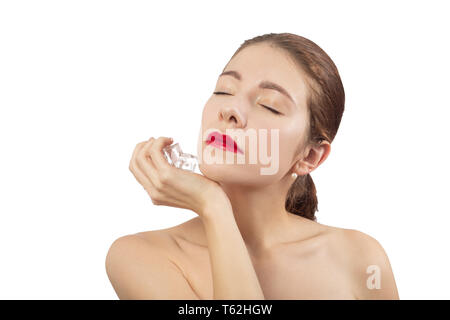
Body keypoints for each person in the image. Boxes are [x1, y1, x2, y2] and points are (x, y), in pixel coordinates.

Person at [105, 32, 399, 300]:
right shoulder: (141, 256)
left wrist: (215, 208)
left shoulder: (363, 260)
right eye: (223, 90)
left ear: (310, 157)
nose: (229, 110)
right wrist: (213, 207)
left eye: (269, 105)